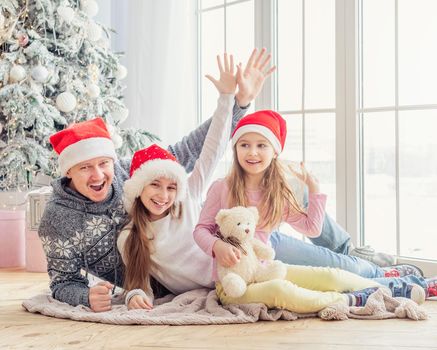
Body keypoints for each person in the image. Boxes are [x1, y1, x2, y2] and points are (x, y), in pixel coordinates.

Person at [38, 48, 275, 312]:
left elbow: (204, 152)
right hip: (215, 281)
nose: (98, 175)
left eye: (104, 163)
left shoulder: (160, 186)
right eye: (84, 167)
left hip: (249, 248)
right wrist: (97, 297)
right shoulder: (69, 221)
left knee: (318, 261)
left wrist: (234, 102)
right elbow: (65, 282)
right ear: (68, 171)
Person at [193, 110, 437, 311]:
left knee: (331, 277)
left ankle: (405, 285)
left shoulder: (277, 194)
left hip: (265, 270)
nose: (252, 152)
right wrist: (217, 246)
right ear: (235, 150)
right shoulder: (221, 188)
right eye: (244, 145)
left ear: (275, 151)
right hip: (233, 283)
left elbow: (312, 228)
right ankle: (355, 298)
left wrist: (315, 189)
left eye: (261, 145)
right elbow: (201, 229)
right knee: (282, 290)